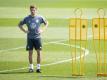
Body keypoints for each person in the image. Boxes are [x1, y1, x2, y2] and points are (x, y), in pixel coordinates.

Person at [18, 5, 48, 73]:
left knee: (39, 53)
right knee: (30, 53)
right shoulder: (26, 18)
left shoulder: (40, 17)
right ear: (30, 10)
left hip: (37, 38)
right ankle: (31, 68)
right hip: (30, 38)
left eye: (34, 10)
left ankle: (38, 68)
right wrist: (25, 30)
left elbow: (46, 23)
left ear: (36, 10)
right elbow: (19, 24)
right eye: (31, 10)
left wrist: (42, 30)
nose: (32, 11)